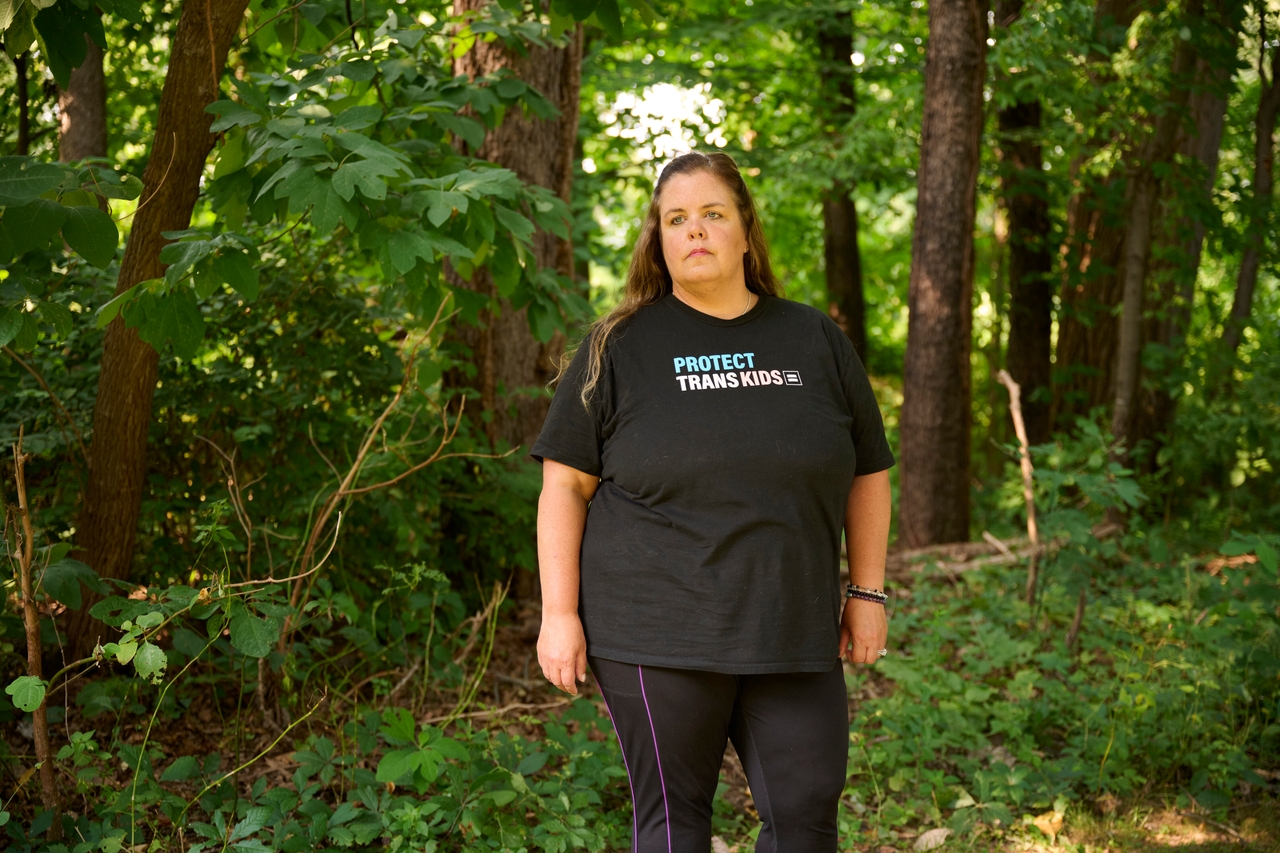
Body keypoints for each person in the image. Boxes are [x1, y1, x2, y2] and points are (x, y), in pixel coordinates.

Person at [530, 151, 894, 853]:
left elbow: (868, 471)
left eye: (712, 214)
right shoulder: (617, 346)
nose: (694, 231)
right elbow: (564, 486)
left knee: (807, 817)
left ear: (746, 230)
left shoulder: (813, 338)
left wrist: (868, 591)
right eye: (677, 219)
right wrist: (559, 613)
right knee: (674, 825)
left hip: (790, 624)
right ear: (659, 240)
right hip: (653, 629)